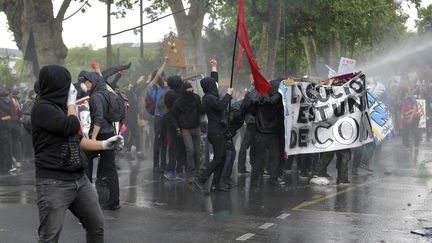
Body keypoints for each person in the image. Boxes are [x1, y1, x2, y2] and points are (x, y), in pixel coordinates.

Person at [31, 65, 123, 242]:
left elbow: (78, 139)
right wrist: (72, 103)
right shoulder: (42, 107)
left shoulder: (62, 107)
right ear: (56, 85)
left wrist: (104, 144)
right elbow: (70, 126)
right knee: (49, 237)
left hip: (79, 179)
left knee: (96, 227)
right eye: (66, 83)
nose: (71, 88)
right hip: (53, 182)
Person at [79, 71, 121, 210]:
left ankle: (86, 199)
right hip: (109, 133)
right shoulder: (107, 93)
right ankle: (114, 201)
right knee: (111, 169)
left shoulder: (96, 97)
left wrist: (93, 139)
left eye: (86, 81)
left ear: (93, 81)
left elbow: (98, 118)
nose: (84, 84)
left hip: (100, 135)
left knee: (85, 160)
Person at [194, 59, 234, 194]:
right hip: (215, 131)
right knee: (218, 158)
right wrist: (228, 95)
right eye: (213, 84)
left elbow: (214, 81)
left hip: (217, 130)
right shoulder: (210, 98)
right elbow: (221, 105)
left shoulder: (209, 95)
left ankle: (216, 184)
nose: (216, 86)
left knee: (221, 158)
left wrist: (214, 67)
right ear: (210, 87)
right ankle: (201, 179)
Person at [170, 82, 204, 182]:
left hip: (196, 128)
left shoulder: (196, 98)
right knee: (190, 150)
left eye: (192, 91)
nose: (191, 93)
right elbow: (173, 116)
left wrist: (203, 104)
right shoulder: (179, 102)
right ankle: (190, 173)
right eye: (188, 91)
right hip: (185, 129)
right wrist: (177, 128)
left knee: (197, 152)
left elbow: (202, 110)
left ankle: (198, 171)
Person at [147, 58, 168, 171]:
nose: (163, 78)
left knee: (165, 141)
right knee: (158, 141)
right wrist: (165, 62)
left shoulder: (167, 88)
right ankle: (156, 164)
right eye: (161, 76)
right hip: (158, 117)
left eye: (164, 76)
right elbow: (157, 76)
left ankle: (164, 164)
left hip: (166, 117)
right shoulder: (152, 87)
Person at [163, 75, 186, 180]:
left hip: (174, 123)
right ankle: (176, 170)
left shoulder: (170, 94)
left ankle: (173, 170)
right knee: (180, 147)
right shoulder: (180, 93)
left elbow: (167, 105)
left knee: (176, 147)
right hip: (180, 122)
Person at [238, 74, 258, 174]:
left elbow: (243, 107)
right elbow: (244, 106)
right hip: (253, 123)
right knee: (247, 145)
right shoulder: (251, 93)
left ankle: (248, 166)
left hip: (253, 123)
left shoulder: (251, 93)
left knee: (252, 145)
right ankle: (243, 167)